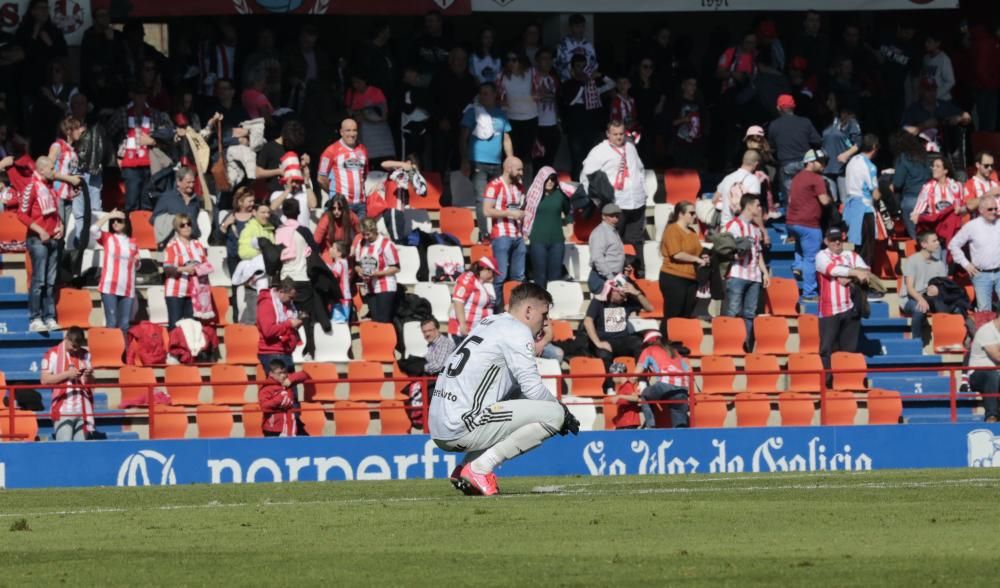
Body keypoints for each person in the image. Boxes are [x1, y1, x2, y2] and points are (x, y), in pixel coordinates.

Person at [429, 283, 577, 497]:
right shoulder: (518, 331)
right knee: (554, 415)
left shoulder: (490, 321)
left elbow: (514, 388)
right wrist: (564, 412)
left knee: (515, 395)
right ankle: (479, 469)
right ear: (528, 311)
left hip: (438, 424)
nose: (546, 322)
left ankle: (464, 468)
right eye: (544, 314)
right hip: (460, 426)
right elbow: (534, 390)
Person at [581, 121, 647, 259]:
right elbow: (586, 176)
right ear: (608, 134)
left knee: (635, 241)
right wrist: (598, 200)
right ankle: (613, 273)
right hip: (616, 204)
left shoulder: (630, 146)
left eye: (621, 134)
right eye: (615, 134)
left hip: (637, 202)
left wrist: (643, 190)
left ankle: (635, 272)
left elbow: (640, 169)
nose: (619, 137)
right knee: (613, 241)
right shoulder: (599, 151)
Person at [108, 83, 171, 211]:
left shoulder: (154, 114)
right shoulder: (123, 113)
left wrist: (153, 141)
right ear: (132, 95)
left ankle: (144, 230)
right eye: (138, 94)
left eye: (143, 94)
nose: (141, 98)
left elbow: (169, 133)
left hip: (151, 163)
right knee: (131, 202)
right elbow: (108, 132)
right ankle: (131, 230)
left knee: (148, 202)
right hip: (130, 164)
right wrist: (116, 156)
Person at [460, 82, 513, 239]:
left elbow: (506, 139)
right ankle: (484, 234)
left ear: (495, 94)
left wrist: (510, 159)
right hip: (478, 163)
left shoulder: (501, 114)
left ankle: (498, 232)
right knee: (481, 198)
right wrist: (464, 159)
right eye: (481, 93)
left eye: (487, 93)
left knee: (498, 199)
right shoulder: (473, 112)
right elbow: (463, 138)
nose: (484, 96)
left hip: (497, 164)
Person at [816, 227, 872, 368]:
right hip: (829, 309)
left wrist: (848, 277)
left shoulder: (851, 255)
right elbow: (831, 270)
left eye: (839, 240)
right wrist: (853, 272)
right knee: (827, 349)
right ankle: (827, 383)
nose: (836, 242)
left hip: (850, 308)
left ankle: (845, 382)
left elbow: (865, 272)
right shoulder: (822, 255)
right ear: (826, 241)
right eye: (832, 240)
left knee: (849, 350)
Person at [18, 156, 62, 332]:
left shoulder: (51, 188)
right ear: (42, 169)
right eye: (52, 168)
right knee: (39, 281)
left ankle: (49, 317)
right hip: (38, 240)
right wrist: (40, 230)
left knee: (50, 282)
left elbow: (55, 213)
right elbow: (22, 214)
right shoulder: (32, 186)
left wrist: (61, 226)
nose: (54, 172)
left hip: (53, 239)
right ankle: (35, 318)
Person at [723, 194, 770, 351]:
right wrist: (737, 253)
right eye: (757, 205)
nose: (759, 208)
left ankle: (745, 346)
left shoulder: (755, 230)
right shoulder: (733, 226)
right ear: (748, 206)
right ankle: (730, 345)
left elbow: (758, 252)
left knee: (750, 314)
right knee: (733, 311)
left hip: (754, 276)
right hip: (737, 274)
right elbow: (725, 249)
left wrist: (764, 272)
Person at [787, 149, 832, 302]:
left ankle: (797, 267)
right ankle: (810, 293)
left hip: (792, 223)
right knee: (811, 258)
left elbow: (789, 200)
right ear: (811, 161)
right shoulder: (816, 178)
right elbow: (825, 201)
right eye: (821, 162)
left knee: (801, 250)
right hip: (809, 224)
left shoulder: (796, 178)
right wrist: (832, 200)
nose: (824, 165)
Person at [659, 201, 707, 339]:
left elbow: (697, 252)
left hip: (690, 278)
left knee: (685, 314)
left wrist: (703, 257)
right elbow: (676, 253)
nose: (694, 216)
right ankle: (665, 343)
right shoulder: (672, 229)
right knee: (673, 314)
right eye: (691, 213)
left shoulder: (692, 232)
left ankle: (679, 343)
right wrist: (697, 259)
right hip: (673, 277)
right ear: (681, 214)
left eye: (694, 213)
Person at [562, 54, 614, 180]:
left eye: (584, 66)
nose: (582, 69)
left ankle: (592, 192)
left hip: (593, 129)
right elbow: (571, 100)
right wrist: (583, 83)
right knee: (577, 161)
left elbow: (611, 84)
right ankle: (576, 190)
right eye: (578, 67)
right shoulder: (568, 84)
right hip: (576, 130)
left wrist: (600, 75)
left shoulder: (593, 87)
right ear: (573, 69)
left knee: (593, 160)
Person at [583, 275, 653, 367]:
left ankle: (641, 379)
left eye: (626, 296)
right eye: (622, 295)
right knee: (604, 354)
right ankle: (609, 381)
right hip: (604, 339)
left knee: (639, 344)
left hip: (623, 339)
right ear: (613, 291)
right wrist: (598, 343)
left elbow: (649, 308)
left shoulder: (627, 302)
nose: (624, 299)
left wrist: (637, 293)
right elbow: (588, 321)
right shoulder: (599, 301)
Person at [485, 157, 526, 308]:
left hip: (518, 235)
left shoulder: (519, 187)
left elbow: (522, 208)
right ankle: (498, 311)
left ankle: (517, 308)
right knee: (500, 276)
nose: (521, 172)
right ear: (508, 168)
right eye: (519, 169)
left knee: (519, 277)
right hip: (501, 235)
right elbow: (486, 210)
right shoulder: (494, 185)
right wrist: (510, 213)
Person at [40, 327, 95, 441]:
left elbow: (92, 383)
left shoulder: (85, 355)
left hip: (83, 409)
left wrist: (89, 375)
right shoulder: (52, 354)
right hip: (63, 410)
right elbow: (44, 380)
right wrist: (67, 375)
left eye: (78, 347)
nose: (75, 349)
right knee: (65, 450)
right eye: (73, 346)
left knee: (81, 450)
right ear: (66, 338)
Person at [430, 47, 479, 174]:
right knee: (438, 164)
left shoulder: (471, 80)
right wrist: (440, 118)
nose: (461, 62)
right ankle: (438, 193)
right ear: (451, 60)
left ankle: (459, 194)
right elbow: (431, 101)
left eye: (464, 59)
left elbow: (475, 103)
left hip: (463, 128)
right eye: (457, 59)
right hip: (443, 126)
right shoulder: (440, 77)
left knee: (460, 164)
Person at [90, 210, 139, 337]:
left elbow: (137, 265)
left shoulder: (133, 241)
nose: (115, 223)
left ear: (126, 223)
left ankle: (124, 355)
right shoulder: (107, 238)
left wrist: (137, 262)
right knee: (112, 323)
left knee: (124, 325)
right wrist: (109, 216)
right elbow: (93, 229)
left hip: (127, 289)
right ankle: (111, 354)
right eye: (114, 221)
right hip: (109, 286)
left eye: (119, 220)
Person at [767, 94, 821, 202]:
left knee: (791, 202)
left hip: (787, 166)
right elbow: (817, 141)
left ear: (778, 108)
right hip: (805, 165)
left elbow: (771, 147)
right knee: (809, 198)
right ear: (794, 107)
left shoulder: (774, 125)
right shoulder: (805, 122)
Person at [949, 199, 1000, 312]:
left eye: (996, 208)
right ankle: (985, 330)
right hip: (981, 274)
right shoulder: (971, 226)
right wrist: (966, 264)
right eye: (990, 209)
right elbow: (953, 245)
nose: (994, 211)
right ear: (981, 210)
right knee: (984, 310)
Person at [523, 166, 571, 289]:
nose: (550, 182)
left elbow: (569, 212)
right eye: (547, 179)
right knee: (540, 276)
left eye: (553, 179)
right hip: (537, 239)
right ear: (541, 179)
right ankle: (541, 305)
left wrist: (570, 228)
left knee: (555, 276)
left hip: (557, 240)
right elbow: (525, 213)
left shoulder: (560, 194)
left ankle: (554, 305)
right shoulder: (533, 195)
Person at [900, 232, 949, 344]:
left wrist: (938, 290)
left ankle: (947, 341)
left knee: (955, 308)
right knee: (919, 308)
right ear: (923, 244)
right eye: (934, 241)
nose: (938, 243)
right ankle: (916, 343)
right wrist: (920, 299)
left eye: (938, 240)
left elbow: (943, 286)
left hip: (931, 299)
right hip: (911, 298)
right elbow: (909, 288)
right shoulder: (913, 260)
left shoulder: (940, 264)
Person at [842, 134, 883, 268]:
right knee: (867, 249)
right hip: (864, 210)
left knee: (858, 248)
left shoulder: (852, 161)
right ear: (874, 148)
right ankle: (865, 284)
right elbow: (875, 194)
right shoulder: (870, 166)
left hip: (851, 208)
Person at [636, 331, 691, 429]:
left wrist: (631, 380)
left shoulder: (648, 350)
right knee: (680, 426)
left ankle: (650, 426)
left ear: (649, 342)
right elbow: (688, 370)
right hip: (683, 387)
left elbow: (636, 373)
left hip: (665, 384)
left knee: (644, 395)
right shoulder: (674, 351)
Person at [497, 51, 539, 173]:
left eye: (514, 60)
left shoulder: (531, 72)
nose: (511, 63)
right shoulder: (502, 75)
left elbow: (538, 91)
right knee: (510, 154)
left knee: (527, 155)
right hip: (510, 119)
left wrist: (538, 94)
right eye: (508, 60)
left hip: (530, 118)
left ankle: (525, 185)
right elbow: (498, 96)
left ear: (521, 60)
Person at [163, 213, 207, 329]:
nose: (186, 227)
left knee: (192, 327)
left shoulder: (197, 245)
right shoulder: (172, 245)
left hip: (194, 292)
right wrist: (184, 269)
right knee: (175, 326)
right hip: (176, 291)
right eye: (182, 225)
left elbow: (205, 264)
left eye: (189, 224)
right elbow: (167, 268)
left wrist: (200, 269)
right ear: (177, 228)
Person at [318, 118, 368, 219]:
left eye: (354, 130)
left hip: (361, 204)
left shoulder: (363, 149)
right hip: (342, 205)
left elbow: (365, 175)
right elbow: (321, 179)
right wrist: (334, 194)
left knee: (360, 235)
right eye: (348, 130)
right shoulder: (330, 151)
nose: (352, 134)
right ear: (341, 132)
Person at [352, 217, 399, 323]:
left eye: (368, 234)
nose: (366, 237)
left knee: (383, 320)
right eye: (363, 234)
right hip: (369, 287)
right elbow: (357, 264)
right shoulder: (362, 243)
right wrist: (359, 271)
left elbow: (396, 267)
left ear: (374, 230)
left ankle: (389, 339)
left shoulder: (386, 244)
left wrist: (377, 273)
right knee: (375, 319)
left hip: (385, 285)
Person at [911, 157, 964, 244]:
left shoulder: (956, 186)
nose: (933, 168)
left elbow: (961, 205)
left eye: (937, 166)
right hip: (935, 227)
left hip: (952, 227)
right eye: (933, 166)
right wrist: (916, 214)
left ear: (945, 171)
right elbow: (920, 205)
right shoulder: (928, 187)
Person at [345, 71, 395, 163]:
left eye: (358, 82)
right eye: (354, 82)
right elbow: (348, 110)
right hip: (359, 132)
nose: (356, 85)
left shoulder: (376, 92)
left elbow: (383, 114)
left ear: (365, 81)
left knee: (379, 159)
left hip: (377, 133)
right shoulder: (351, 93)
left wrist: (365, 115)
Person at [890, 130, 932, 240]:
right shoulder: (923, 156)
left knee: (917, 238)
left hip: (911, 200)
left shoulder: (903, 157)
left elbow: (898, 183)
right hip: (928, 199)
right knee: (929, 236)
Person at [48, 116, 84, 239]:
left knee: (66, 234)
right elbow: (48, 172)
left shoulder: (73, 149)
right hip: (58, 195)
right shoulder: (57, 146)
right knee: (58, 232)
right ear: (68, 131)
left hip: (69, 197)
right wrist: (71, 180)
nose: (81, 131)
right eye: (77, 128)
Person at [256, 278, 303, 371]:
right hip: (273, 353)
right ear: (281, 292)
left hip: (284, 352)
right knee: (282, 385)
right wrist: (289, 324)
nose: (291, 301)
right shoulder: (267, 304)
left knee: (290, 384)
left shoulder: (285, 305)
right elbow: (268, 331)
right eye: (290, 297)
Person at [821, 98, 861, 201]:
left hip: (842, 167)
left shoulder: (850, 121)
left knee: (845, 200)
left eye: (831, 100)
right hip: (827, 166)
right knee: (831, 200)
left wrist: (846, 154)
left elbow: (858, 143)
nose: (827, 103)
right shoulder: (828, 120)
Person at [258, 358, 309, 437]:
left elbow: (304, 375)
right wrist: (279, 398)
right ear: (271, 374)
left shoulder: (286, 381)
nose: (283, 375)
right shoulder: (266, 388)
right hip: (273, 427)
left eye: (285, 372)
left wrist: (290, 379)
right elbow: (264, 406)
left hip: (291, 423)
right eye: (279, 373)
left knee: (307, 442)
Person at [449, 256, 497, 339]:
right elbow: (458, 301)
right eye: (493, 273)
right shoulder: (468, 278)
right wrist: (463, 324)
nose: (494, 278)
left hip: (474, 331)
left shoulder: (480, 282)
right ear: (487, 269)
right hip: (463, 332)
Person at [151, 167, 202, 244]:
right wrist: (172, 221)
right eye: (188, 182)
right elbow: (154, 219)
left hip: (193, 241)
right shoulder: (167, 198)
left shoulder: (196, 200)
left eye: (193, 182)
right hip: (173, 242)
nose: (191, 185)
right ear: (178, 182)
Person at [715, 149, 762, 227]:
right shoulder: (754, 180)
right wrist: (763, 231)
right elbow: (754, 209)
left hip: (725, 227)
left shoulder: (727, 178)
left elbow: (714, 200)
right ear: (756, 164)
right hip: (742, 228)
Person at [532, 47, 560, 172]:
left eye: (550, 59)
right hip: (537, 125)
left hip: (552, 126)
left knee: (549, 162)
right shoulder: (532, 78)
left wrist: (559, 121)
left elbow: (557, 100)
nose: (548, 62)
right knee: (537, 162)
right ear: (537, 61)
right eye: (544, 59)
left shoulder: (554, 79)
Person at [270, 152, 317, 227]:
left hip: (302, 235)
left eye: (297, 181)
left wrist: (306, 182)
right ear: (286, 181)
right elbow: (272, 207)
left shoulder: (304, 194)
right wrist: (288, 190)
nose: (294, 184)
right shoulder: (277, 194)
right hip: (285, 236)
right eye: (292, 181)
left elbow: (313, 204)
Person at [587, 203, 625, 294]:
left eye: (617, 216)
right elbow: (597, 258)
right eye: (612, 216)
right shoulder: (600, 232)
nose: (615, 219)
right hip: (602, 277)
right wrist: (611, 278)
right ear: (603, 216)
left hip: (612, 276)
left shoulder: (612, 230)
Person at [969, 315, 1000, 423]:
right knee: (991, 374)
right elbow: (997, 357)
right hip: (978, 374)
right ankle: (991, 416)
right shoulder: (987, 331)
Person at [314, 194, 360, 263]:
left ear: (344, 208)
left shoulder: (350, 215)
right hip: (329, 253)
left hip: (345, 252)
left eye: (339, 209)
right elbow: (316, 240)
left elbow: (360, 232)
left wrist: (354, 246)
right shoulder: (326, 218)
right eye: (333, 208)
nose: (336, 212)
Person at [220, 186, 255, 275]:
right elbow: (218, 237)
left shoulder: (255, 216)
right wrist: (225, 225)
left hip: (251, 256)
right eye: (249, 201)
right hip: (234, 257)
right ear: (240, 202)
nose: (252, 203)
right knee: (236, 283)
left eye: (253, 201)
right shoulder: (230, 216)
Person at [555, 13, 599, 81]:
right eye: (577, 26)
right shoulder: (563, 45)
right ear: (570, 27)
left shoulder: (589, 46)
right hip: (568, 84)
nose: (580, 29)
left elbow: (594, 66)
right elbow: (559, 67)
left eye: (582, 26)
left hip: (587, 84)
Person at [606, 362, 642, 429]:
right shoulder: (621, 387)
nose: (612, 378)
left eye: (612, 374)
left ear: (619, 374)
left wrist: (620, 396)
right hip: (623, 423)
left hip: (629, 423)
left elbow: (635, 398)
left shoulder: (627, 385)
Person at [922, 32, 955, 103]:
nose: (926, 44)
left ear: (937, 43)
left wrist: (935, 95)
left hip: (943, 100)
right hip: (928, 100)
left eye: (929, 42)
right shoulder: (926, 58)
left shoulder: (944, 59)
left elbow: (951, 81)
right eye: (926, 41)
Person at [328, 241, 353, 324]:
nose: (330, 249)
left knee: (339, 323)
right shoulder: (344, 262)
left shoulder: (339, 263)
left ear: (339, 253)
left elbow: (334, 276)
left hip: (342, 297)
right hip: (344, 297)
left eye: (333, 248)